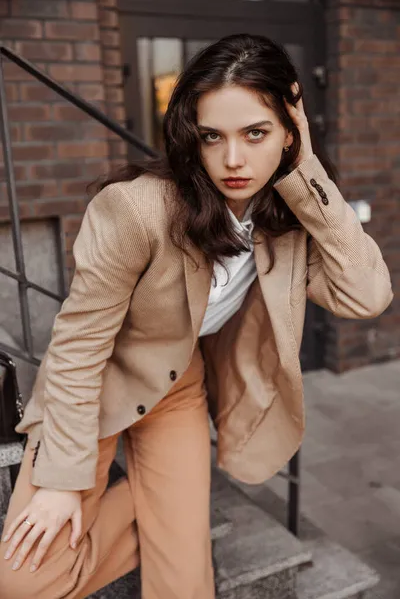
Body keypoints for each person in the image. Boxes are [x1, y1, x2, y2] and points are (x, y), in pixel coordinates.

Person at [0, 33, 392, 599]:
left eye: (256, 133)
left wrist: (309, 175)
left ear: (290, 131)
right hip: (97, 383)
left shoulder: (291, 220)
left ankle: (172, 497)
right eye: (213, 137)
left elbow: (367, 296)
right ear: (193, 138)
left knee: (184, 586)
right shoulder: (138, 209)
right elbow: (78, 348)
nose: (233, 160)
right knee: (24, 581)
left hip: (179, 387)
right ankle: (162, 498)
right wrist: (63, 481)